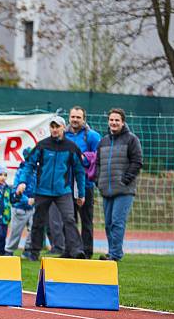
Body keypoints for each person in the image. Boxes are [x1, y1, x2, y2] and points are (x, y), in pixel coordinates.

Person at [15, 115, 86, 261]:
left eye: (57, 127)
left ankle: (76, 251)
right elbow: (29, 165)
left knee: (69, 220)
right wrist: (22, 182)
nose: (54, 129)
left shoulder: (72, 148)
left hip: (63, 191)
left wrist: (81, 194)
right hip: (42, 190)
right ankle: (33, 253)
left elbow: (80, 172)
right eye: (52, 127)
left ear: (63, 128)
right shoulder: (42, 145)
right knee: (38, 222)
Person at [95, 107, 143, 262]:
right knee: (108, 224)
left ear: (123, 122)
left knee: (117, 222)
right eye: (111, 120)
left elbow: (137, 162)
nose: (113, 123)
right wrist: (98, 180)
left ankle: (115, 255)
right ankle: (112, 252)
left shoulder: (131, 139)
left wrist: (125, 179)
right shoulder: (103, 141)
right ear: (108, 122)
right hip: (106, 189)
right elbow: (97, 164)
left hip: (124, 190)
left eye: (117, 120)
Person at [65, 106, 101, 259]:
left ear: (84, 119)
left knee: (86, 220)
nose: (75, 120)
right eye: (73, 116)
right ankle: (71, 250)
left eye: (78, 117)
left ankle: (87, 251)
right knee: (68, 219)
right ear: (69, 118)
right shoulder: (63, 134)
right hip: (66, 185)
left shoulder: (92, 136)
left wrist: (84, 158)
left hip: (85, 185)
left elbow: (99, 155)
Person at [5, 148, 35, 256]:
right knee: (15, 232)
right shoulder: (21, 172)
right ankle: (9, 251)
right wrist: (26, 200)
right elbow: (15, 191)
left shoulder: (36, 171)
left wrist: (35, 199)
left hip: (32, 207)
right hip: (19, 207)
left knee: (34, 229)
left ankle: (28, 249)